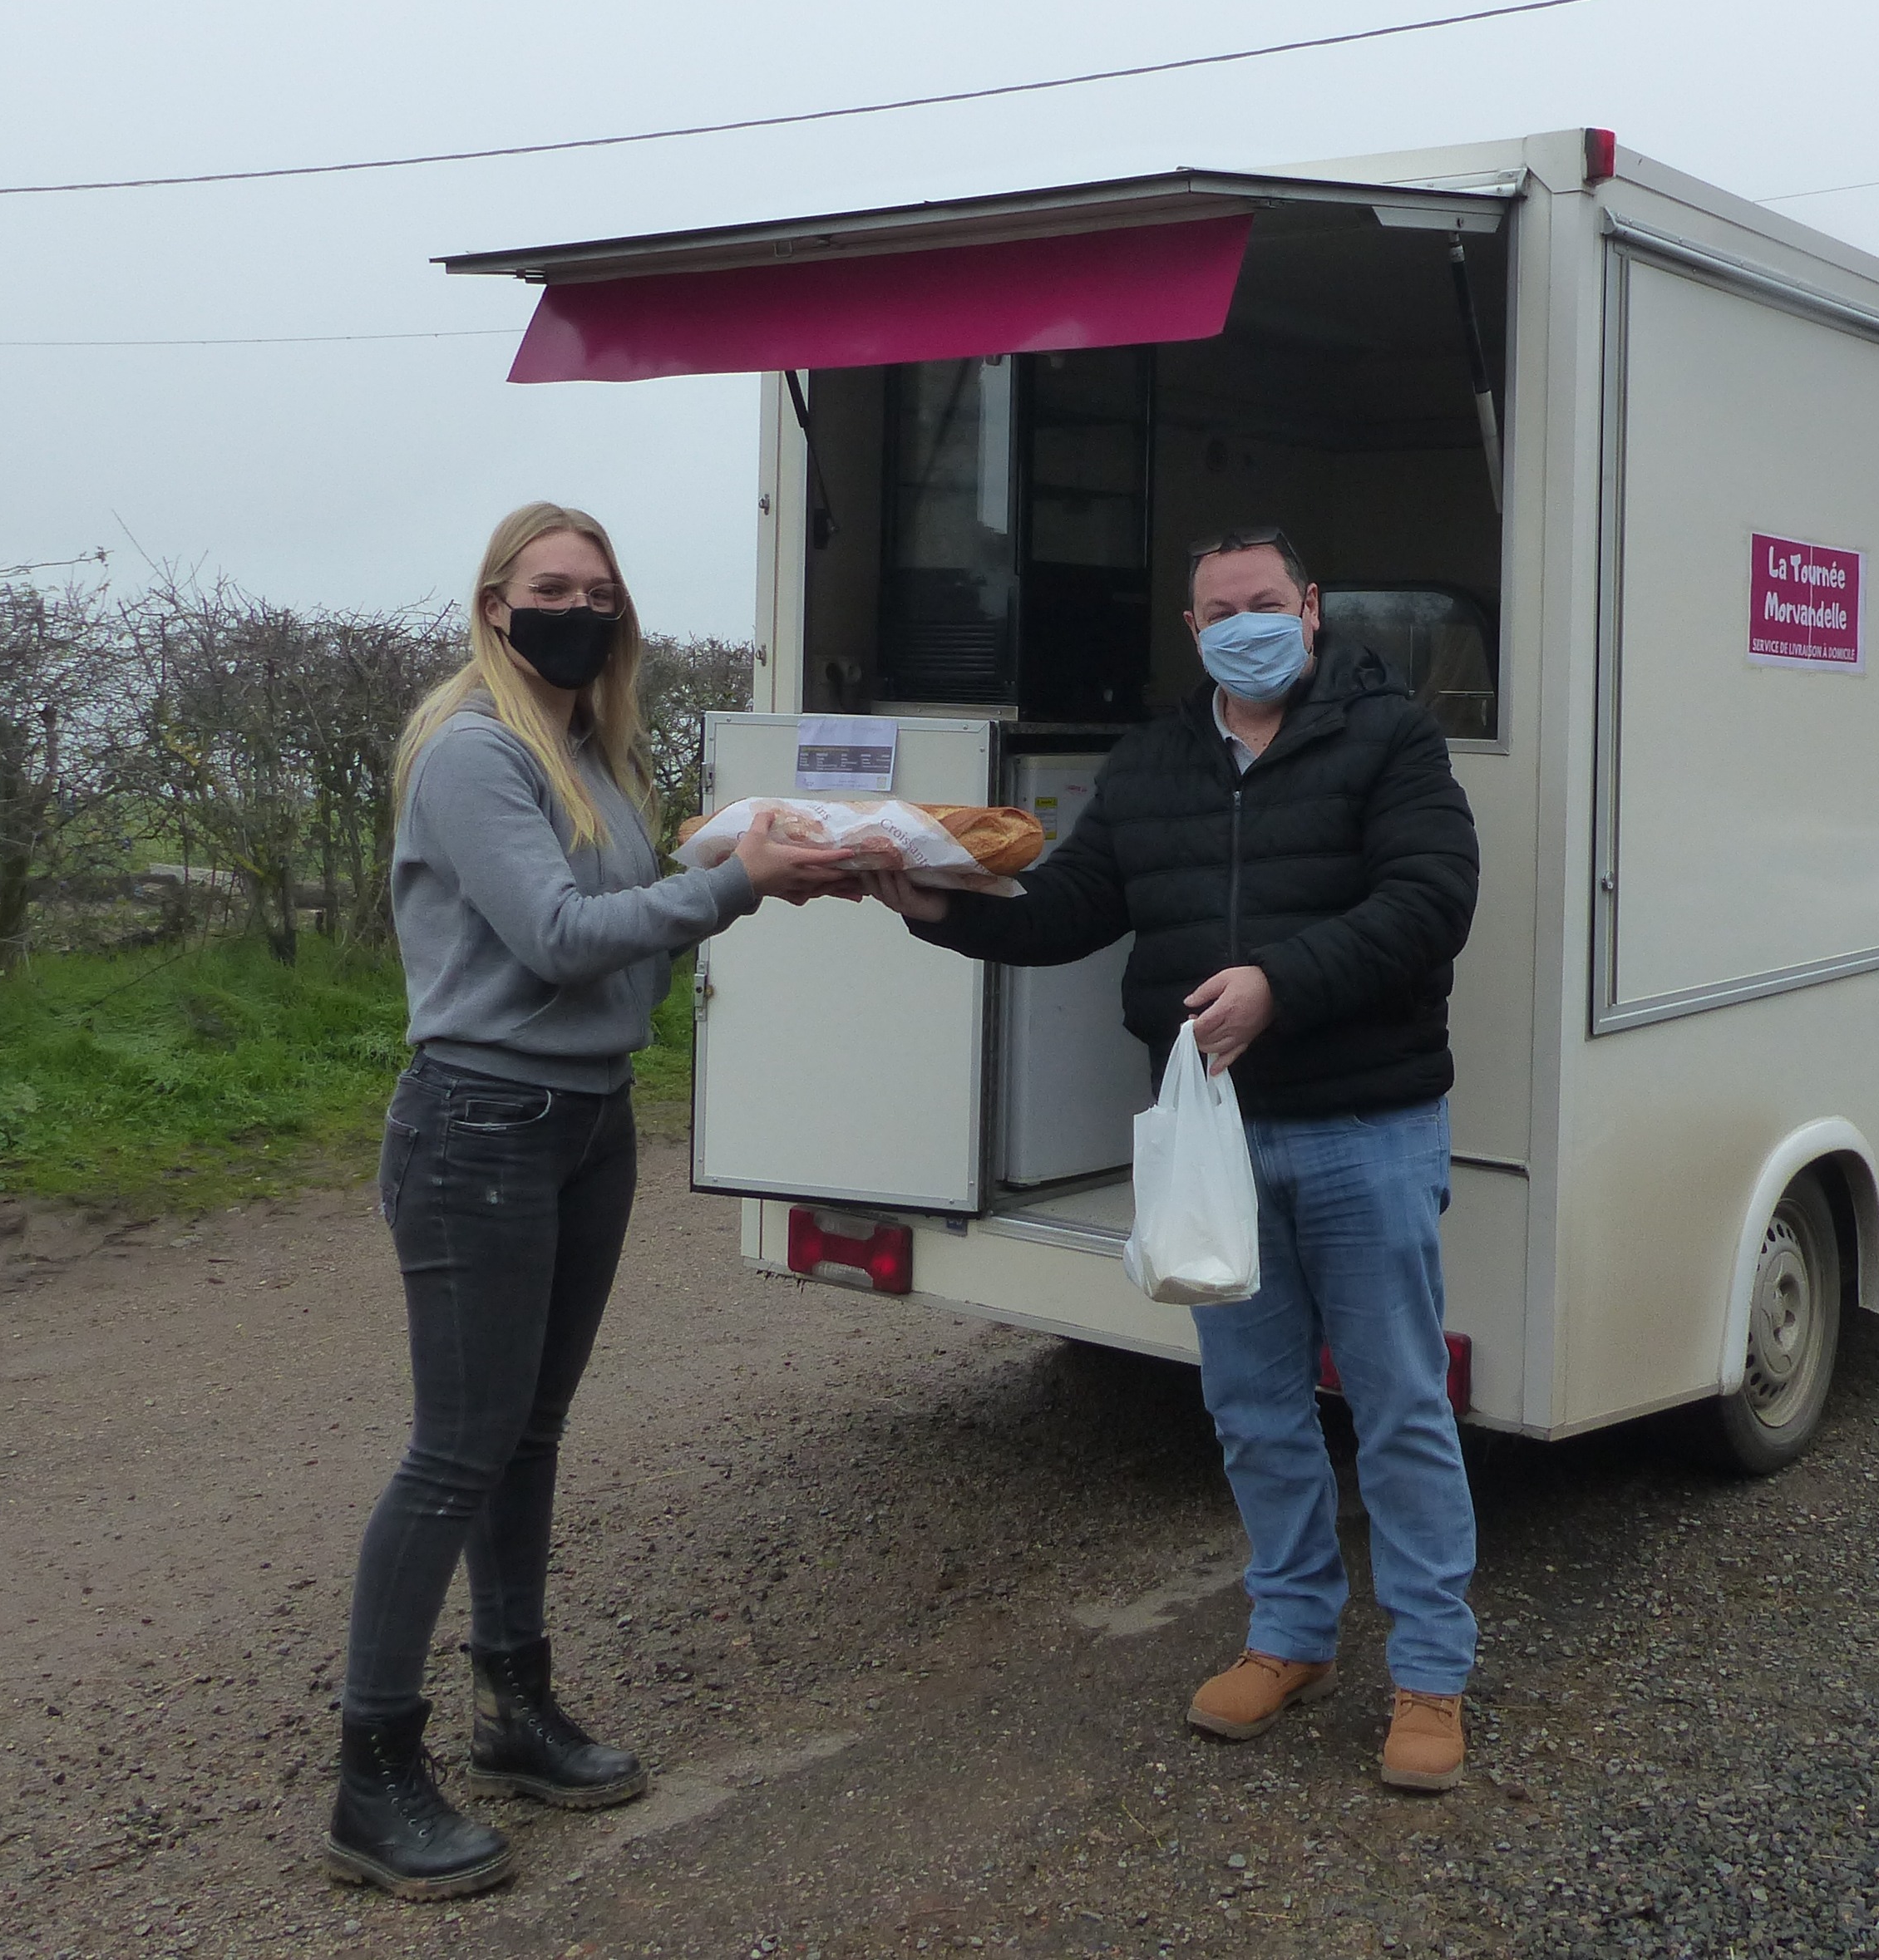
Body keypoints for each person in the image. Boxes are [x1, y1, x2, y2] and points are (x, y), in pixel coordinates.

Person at [870, 526, 1485, 1791]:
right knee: (1254, 1407)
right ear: (1192, 632)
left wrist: (1279, 988)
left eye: (1265, 602)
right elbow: (1068, 911)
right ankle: (1290, 1634)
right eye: (1218, 611)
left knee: (1399, 1408)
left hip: (1366, 1127)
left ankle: (1430, 1674)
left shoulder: (1389, 736)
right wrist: (928, 904)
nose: (1243, 624)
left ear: (1311, 610)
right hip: (1214, 1137)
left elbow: (1432, 901)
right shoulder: (1151, 762)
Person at [327, 502, 861, 1901]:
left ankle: (517, 1702)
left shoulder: (582, 750)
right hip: (481, 1128)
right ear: (495, 605)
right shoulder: (473, 750)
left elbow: (627, 905)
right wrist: (737, 888)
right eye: (549, 586)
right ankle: (371, 1776)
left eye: (599, 591)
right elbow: (559, 941)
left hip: (585, 1121)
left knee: (531, 1433)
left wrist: (738, 865)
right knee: (456, 1451)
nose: (579, 607)